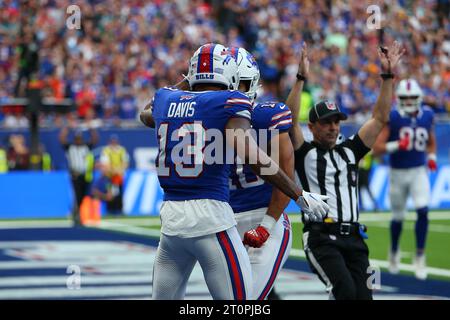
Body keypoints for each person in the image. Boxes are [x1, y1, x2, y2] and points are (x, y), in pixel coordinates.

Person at [140, 43, 329, 300]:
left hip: (173, 219)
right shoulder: (231, 103)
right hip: (215, 218)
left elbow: (146, 114)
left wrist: (190, 79)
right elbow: (253, 157)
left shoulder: (164, 98)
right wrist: (299, 194)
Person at [288, 42, 404, 299]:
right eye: (326, 123)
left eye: (336, 122)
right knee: (345, 293)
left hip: (354, 239)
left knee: (363, 297)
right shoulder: (305, 153)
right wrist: (300, 78)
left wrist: (387, 76)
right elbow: (289, 119)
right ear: (313, 126)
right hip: (322, 238)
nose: (333, 127)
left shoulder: (350, 150)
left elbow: (380, 118)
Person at [227, 46, 294, 300]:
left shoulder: (268, 116)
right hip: (226, 222)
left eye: (240, 84)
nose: (234, 91)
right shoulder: (208, 120)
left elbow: (286, 179)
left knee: (246, 300)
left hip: (264, 217)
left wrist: (266, 226)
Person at [372, 78, 437, 280]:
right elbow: (376, 149)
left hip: (419, 170)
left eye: (412, 98)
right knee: (398, 217)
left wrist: (432, 157)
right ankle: (393, 251)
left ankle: (420, 256)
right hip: (398, 172)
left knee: (423, 210)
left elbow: (431, 140)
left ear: (418, 98)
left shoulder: (427, 114)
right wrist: (397, 145)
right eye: (404, 98)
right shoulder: (393, 117)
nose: (408, 101)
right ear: (399, 98)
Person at [59, 125, 98, 225]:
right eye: (76, 139)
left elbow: (94, 140)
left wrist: (91, 129)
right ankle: (76, 216)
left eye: (80, 139)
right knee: (77, 196)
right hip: (75, 175)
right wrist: (66, 129)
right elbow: (62, 140)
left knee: (83, 196)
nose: (78, 141)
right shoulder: (70, 147)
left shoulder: (86, 147)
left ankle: (78, 214)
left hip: (85, 176)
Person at [100, 134, 129, 215]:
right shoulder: (106, 150)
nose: (114, 142)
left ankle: (119, 210)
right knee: (109, 193)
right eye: (112, 141)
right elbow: (105, 163)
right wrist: (113, 170)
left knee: (119, 193)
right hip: (109, 176)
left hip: (119, 176)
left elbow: (125, 162)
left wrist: (119, 170)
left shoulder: (121, 150)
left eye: (115, 141)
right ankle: (110, 210)